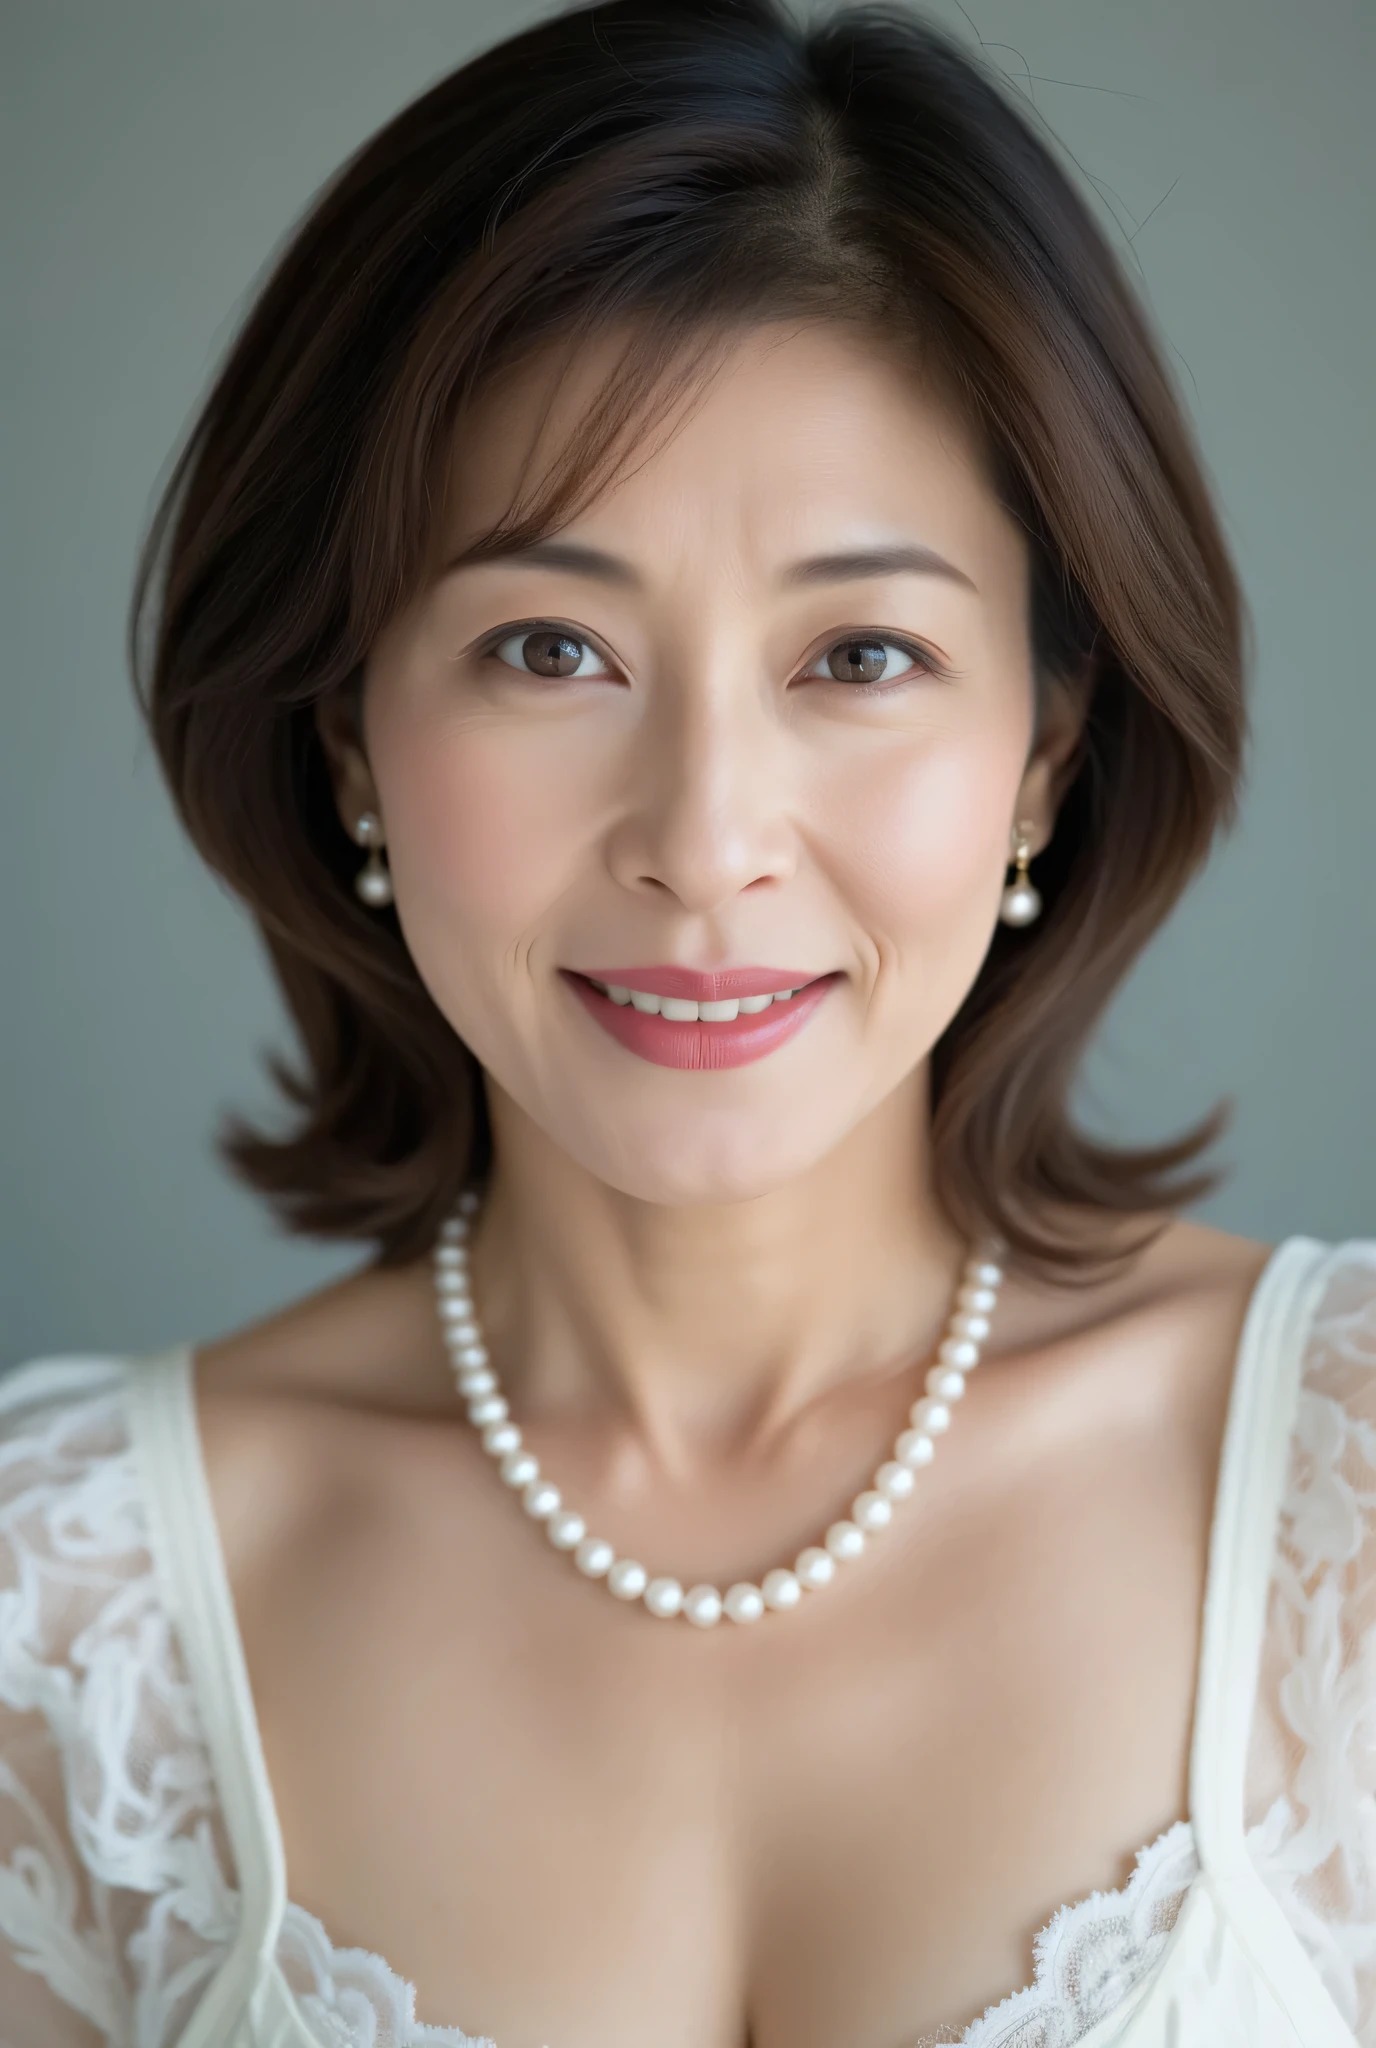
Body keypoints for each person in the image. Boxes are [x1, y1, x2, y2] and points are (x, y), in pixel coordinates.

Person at [1, 2, 1371, 2043]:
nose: (704, 839)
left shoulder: (1337, 1507)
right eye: (549, 646)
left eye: (862, 653)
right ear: (349, 738)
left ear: (1043, 757)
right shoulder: (60, 1616)